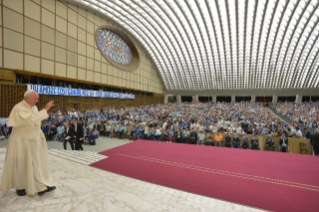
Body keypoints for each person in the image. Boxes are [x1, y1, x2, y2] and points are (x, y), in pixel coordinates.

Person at [0, 90, 56, 196]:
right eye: (36, 98)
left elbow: (36, 121)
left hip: (33, 139)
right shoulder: (18, 108)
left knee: (37, 162)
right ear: (28, 98)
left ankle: (41, 185)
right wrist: (46, 109)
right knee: (21, 164)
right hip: (21, 141)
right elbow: (30, 120)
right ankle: (19, 186)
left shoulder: (33, 107)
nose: (37, 101)